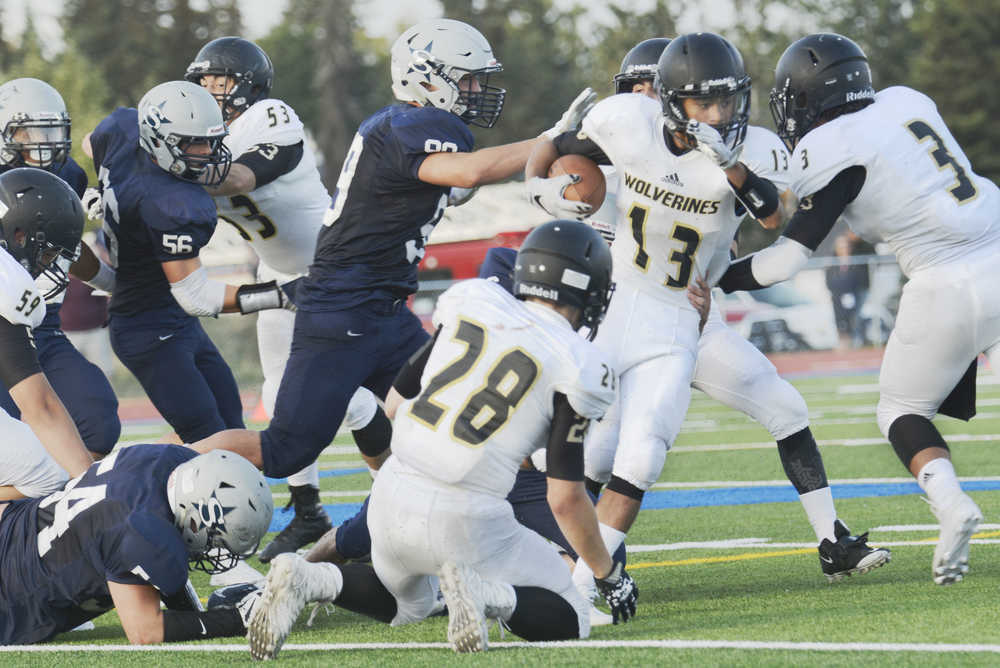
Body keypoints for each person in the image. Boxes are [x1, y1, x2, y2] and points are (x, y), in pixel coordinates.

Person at [524, 32, 886, 599]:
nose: (717, 114)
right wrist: (544, 175)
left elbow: (771, 212)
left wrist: (730, 175)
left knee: (774, 408)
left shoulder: (743, 151)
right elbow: (554, 174)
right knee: (588, 450)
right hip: (621, 309)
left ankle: (831, 539)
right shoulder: (618, 141)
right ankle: (569, 562)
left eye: (725, 101)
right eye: (700, 102)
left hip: (689, 316)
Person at [191, 18, 597, 483]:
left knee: (459, 416)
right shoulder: (407, 124)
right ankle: (153, 466)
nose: (475, 90)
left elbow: (462, 183)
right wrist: (551, 142)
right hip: (340, 310)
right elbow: (468, 173)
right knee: (285, 451)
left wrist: (539, 172)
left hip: (383, 311)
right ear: (426, 78)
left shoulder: (410, 128)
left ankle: (490, 520)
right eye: (465, 79)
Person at [243, 221, 637, 660]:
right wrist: (608, 575)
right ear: (588, 291)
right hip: (470, 513)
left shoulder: (475, 303)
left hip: (393, 492)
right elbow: (565, 497)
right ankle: (490, 595)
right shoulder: (579, 365)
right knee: (573, 612)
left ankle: (310, 578)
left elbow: (393, 403)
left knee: (405, 605)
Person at [719, 33, 1000, 585]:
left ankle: (951, 505)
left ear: (805, 98)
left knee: (900, 410)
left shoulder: (832, 149)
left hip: (945, 277)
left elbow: (781, 266)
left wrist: (717, 276)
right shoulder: (906, 102)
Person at [185, 36, 389, 564]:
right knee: (279, 399)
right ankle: (308, 509)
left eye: (219, 82)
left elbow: (240, 176)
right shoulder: (206, 140)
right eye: (202, 82)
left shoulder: (271, 116)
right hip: (280, 271)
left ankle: (395, 497)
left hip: (331, 265)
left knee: (342, 397)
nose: (208, 92)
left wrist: (168, 166)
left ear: (246, 84)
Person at [82, 80, 295, 444]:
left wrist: (107, 191)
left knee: (230, 426)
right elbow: (196, 297)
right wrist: (281, 294)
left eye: (210, 141)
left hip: (172, 319)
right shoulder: (172, 202)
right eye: (192, 142)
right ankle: (122, 483)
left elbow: (92, 142)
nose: (205, 152)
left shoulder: (122, 129)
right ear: (155, 139)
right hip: (147, 328)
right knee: (209, 437)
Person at [0, 445, 272, 644]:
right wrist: (239, 619)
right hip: (11, 596)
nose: (216, 548)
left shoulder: (168, 461)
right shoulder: (143, 531)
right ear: (195, 514)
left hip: (13, 523)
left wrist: (194, 613)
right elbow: (145, 631)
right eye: (217, 537)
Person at [0, 78, 121, 458]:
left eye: (52, 129)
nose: (44, 141)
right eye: (30, 130)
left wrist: (112, 281)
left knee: (98, 424)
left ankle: (57, 506)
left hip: (42, 323)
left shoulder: (68, 175)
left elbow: (63, 246)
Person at [0, 167, 94, 497]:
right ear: (20, 234)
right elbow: (40, 407)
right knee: (51, 473)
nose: (47, 265)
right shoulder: (8, 280)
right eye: (49, 253)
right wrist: (90, 481)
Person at [825, 233, 870, 349]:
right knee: (840, 321)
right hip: (838, 297)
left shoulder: (857, 261)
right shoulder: (832, 264)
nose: (844, 249)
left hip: (854, 295)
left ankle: (857, 342)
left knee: (854, 319)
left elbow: (862, 280)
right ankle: (843, 343)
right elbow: (829, 281)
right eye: (841, 247)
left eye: (846, 246)